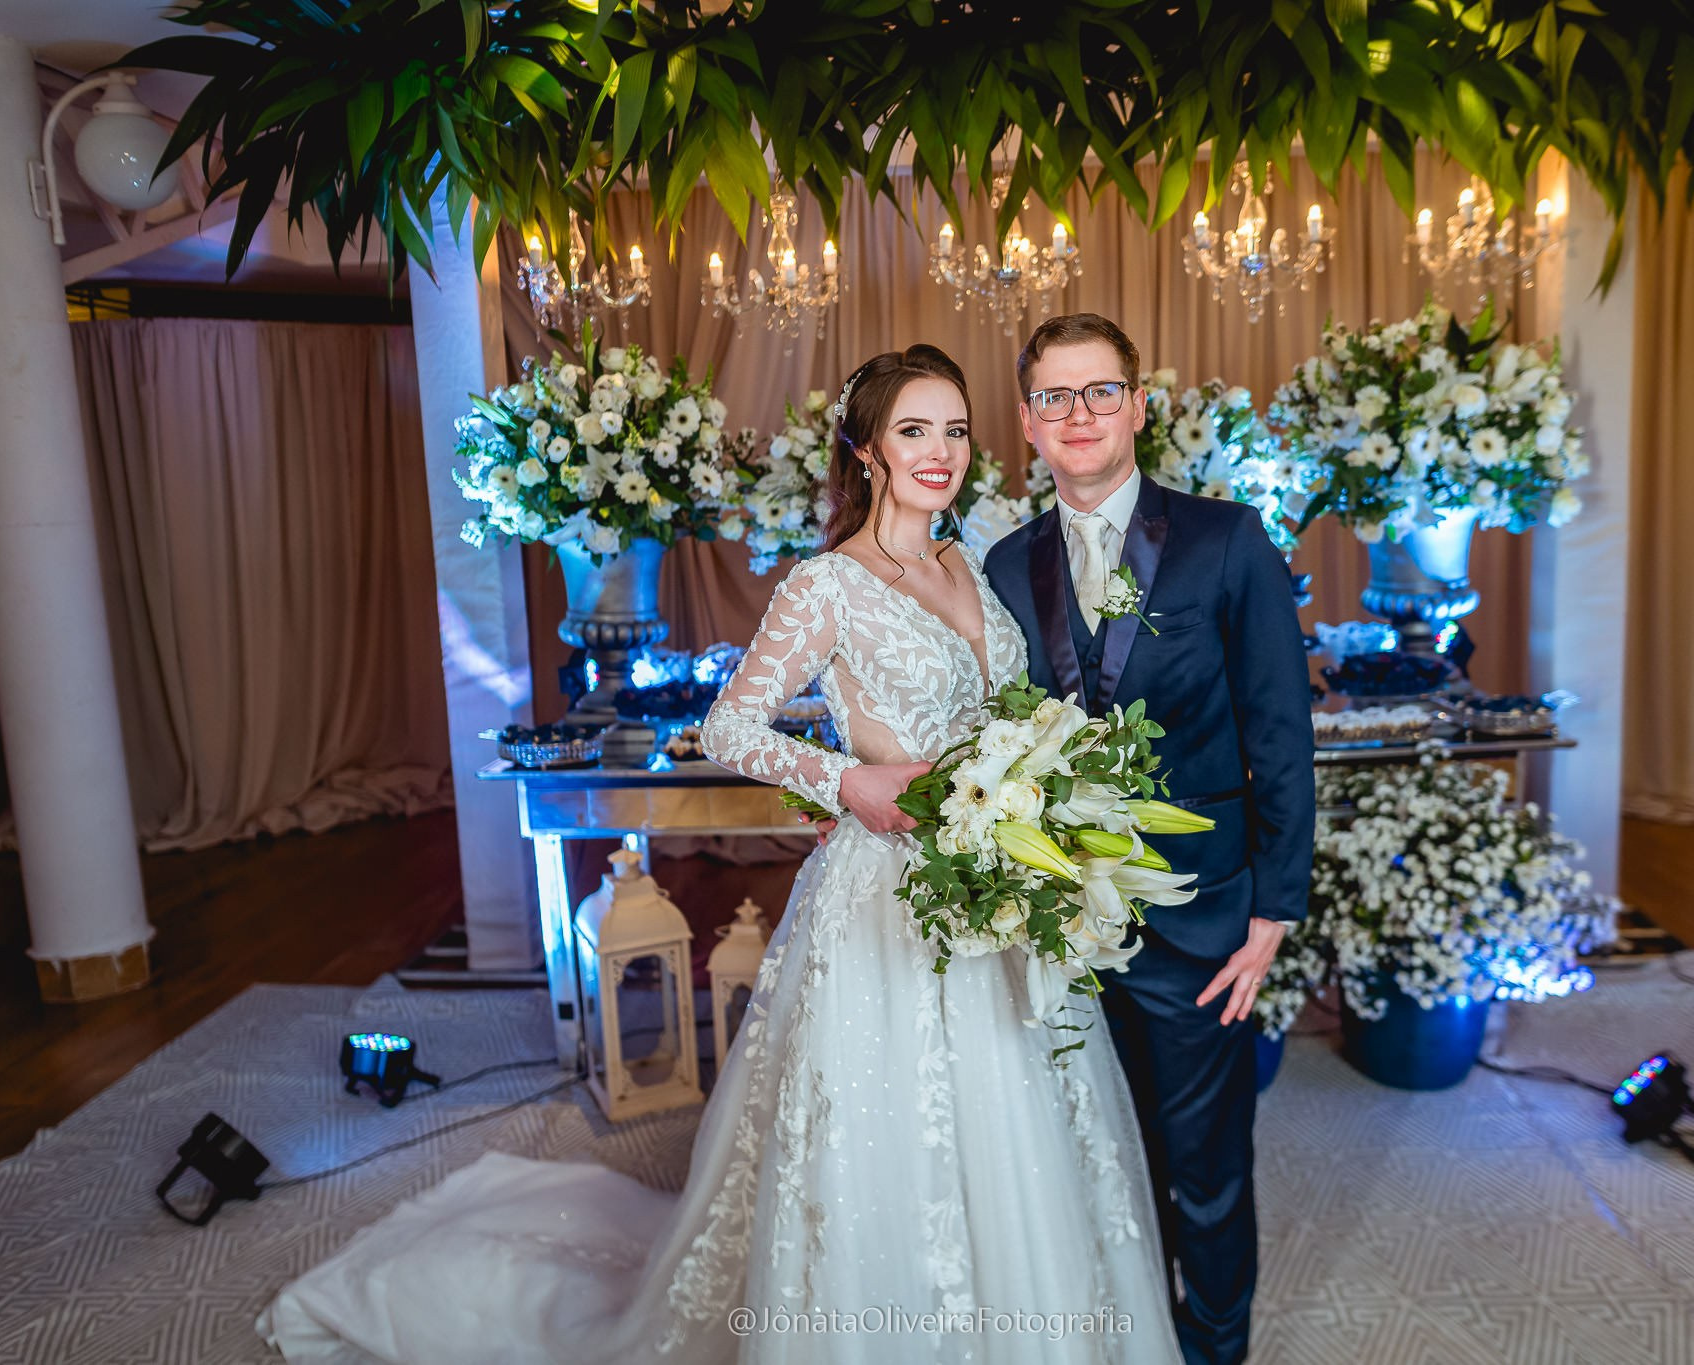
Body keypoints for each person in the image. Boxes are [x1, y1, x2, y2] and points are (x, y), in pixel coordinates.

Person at [257, 344, 1182, 1364]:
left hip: (993, 887)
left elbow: (1008, 708)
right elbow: (731, 725)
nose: (939, 451)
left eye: (955, 430)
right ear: (868, 450)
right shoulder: (826, 584)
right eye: (914, 430)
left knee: (1018, 1121)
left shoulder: (970, 559)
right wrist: (846, 782)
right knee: (887, 1141)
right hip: (886, 894)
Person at [983, 314, 1316, 1365]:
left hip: (1198, 920)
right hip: (1049, 929)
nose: (1075, 416)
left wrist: (1273, 908)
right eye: (1052, 398)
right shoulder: (1001, 564)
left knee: (1201, 1172)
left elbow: (1280, 732)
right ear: (1025, 421)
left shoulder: (1227, 541)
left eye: (1096, 393)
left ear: (1136, 405)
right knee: (1077, 1159)